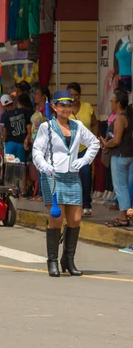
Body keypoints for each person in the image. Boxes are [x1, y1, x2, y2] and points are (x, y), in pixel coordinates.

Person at [32, 90, 99, 278]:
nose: (66, 108)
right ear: (54, 106)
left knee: (76, 219)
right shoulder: (47, 127)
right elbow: (37, 150)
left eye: (68, 105)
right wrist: (44, 165)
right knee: (56, 218)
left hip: (72, 176)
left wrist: (84, 160)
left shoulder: (77, 126)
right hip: (52, 176)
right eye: (61, 105)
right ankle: (52, 260)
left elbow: (94, 143)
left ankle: (68, 259)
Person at [101, 90, 133, 227]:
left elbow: (117, 140)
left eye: (112, 101)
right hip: (128, 154)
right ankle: (126, 214)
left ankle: (122, 216)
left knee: (120, 187)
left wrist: (105, 144)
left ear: (118, 103)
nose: (111, 103)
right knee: (125, 185)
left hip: (119, 155)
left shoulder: (120, 118)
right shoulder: (128, 116)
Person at [67, 82, 98, 217]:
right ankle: (71, 204)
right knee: (69, 177)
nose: (74, 98)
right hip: (69, 149)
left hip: (85, 148)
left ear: (80, 95)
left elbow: (95, 123)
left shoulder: (87, 107)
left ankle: (86, 204)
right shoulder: (63, 109)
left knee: (85, 174)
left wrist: (95, 137)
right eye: (71, 95)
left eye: (76, 95)